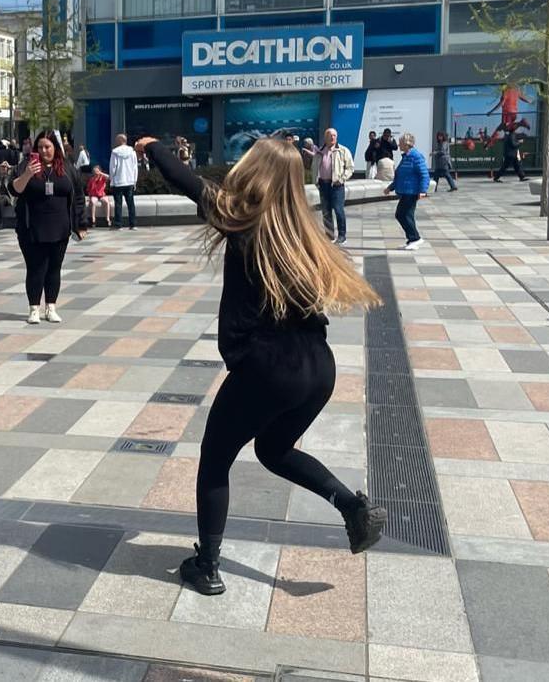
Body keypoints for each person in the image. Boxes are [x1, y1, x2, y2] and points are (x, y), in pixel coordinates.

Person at [135, 135, 387, 596]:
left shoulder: (244, 220)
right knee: (273, 449)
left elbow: (186, 181)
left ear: (256, 171)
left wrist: (153, 147)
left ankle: (207, 566)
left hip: (270, 366)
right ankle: (352, 507)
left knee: (214, 461)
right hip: (318, 366)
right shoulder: (305, 232)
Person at [11, 130, 83, 325]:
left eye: (48, 147)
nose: (44, 151)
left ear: (55, 148)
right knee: (36, 269)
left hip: (60, 228)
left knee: (54, 269)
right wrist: (27, 174)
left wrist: (79, 224)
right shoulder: (27, 165)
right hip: (32, 228)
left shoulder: (67, 167)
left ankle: (51, 307)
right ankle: (34, 308)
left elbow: (77, 196)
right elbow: (14, 189)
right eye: (40, 147)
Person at [303, 129, 354, 245]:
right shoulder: (320, 151)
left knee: (338, 210)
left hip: (337, 185)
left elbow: (350, 168)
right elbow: (314, 167)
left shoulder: (343, 150)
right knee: (326, 211)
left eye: (334, 135)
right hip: (323, 185)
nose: (332, 137)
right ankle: (329, 236)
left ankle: (342, 236)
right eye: (330, 135)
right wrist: (316, 181)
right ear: (325, 137)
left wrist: (341, 179)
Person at [386, 133, 430, 251]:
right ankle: (412, 239)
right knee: (406, 215)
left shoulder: (416, 156)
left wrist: (422, 191)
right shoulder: (406, 156)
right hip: (405, 191)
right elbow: (400, 176)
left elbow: (424, 175)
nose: (399, 144)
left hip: (411, 192)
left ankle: (415, 238)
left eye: (400, 142)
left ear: (406, 144)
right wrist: (390, 188)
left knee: (401, 214)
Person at [108, 133, 138, 230]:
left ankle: (118, 224)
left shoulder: (115, 152)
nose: (116, 142)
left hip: (118, 181)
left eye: (117, 140)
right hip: (129, 181)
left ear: (120, 140)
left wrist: (111, 179)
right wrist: (134, 181)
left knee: (118, 204)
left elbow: (113, 167)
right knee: (131, 204)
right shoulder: (132, 152)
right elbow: (135, 168)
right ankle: (133, 224)